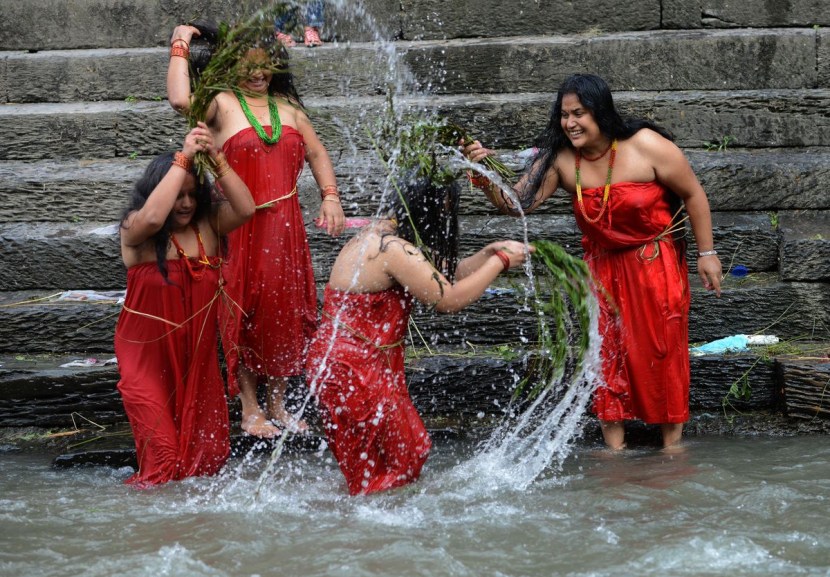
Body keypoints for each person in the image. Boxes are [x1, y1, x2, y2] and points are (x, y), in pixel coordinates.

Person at [463, 73, 722, 450]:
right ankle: (614, 451)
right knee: (606, 353)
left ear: (600, 111)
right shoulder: (562, 159)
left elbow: (694, 195)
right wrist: (484, 175)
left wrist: (707, 253)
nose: (570, 123)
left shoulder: (647, 145)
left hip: (654, 263)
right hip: (601, 269)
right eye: (564, 114)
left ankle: (671, 448)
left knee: (661, 349)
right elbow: (517, 204)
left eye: (579, 113)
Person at [167, 23, 345, 439]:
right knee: (243, 309)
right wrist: (180, 41)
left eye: (265, 67)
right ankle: (250, 408)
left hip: (286, 228)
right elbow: (178, 99)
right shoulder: (220, 103)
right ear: (230, 67)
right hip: (238, 225)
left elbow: (317, 152)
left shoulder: (290, 108)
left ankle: (279, 403)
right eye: (248, 67)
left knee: (283, 311)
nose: (258, 75)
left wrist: (330, 197)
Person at [305, 176, 533, 495]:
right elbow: (447, 299)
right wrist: (501, 261)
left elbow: (435, 277)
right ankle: (375, 535)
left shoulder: (380, 236)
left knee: (382, 466)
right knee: (402, 460)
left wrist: (486, 256)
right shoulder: (392, 249)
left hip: (345, 367)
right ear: (435, 206)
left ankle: (361, 531)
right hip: (356, 372)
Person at [115, 123, 255, 487]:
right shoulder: (136, 231)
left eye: (193, 195)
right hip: (147, 357)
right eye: (179, 194)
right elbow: (152, 217)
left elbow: (247, 208)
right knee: (163, 461)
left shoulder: (207, 226)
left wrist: (217, 158)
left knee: (204, 463)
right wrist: (184, 157)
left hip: (197, 358)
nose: (187, 203)